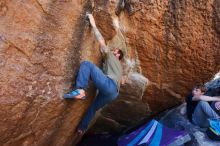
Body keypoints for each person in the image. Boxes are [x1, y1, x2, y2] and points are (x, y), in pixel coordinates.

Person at [63, 13, 124, 134]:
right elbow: (122, 80)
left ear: (117, 55)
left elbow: (101, 42)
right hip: (113, 94)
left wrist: (93, 24)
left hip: (108, 85)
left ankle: (80, 90)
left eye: (114, 51)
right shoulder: (120, 68)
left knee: (87, 65)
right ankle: (82, 128)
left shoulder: (111, 57)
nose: (112, 50)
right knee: (93, 108)